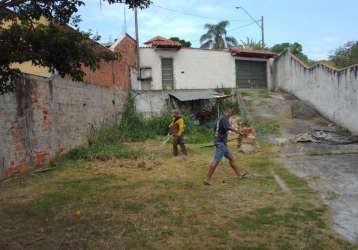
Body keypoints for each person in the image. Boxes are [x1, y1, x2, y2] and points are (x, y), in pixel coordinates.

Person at [204, 106, 247, 185]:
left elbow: (215, 129)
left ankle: (239, 175)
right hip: (221, 143)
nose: (231, 114)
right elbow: (229, 128)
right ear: (227, 111)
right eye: (231, 112)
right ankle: (207, 179)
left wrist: (216, 138)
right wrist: (239, 133)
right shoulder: (224, 118)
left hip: (221, 142)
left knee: (231, 158)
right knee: (216, 161)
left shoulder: (219, 118)